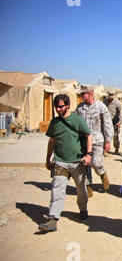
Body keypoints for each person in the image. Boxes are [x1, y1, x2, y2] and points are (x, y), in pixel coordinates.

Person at [38, 94, 93, 232]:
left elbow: (89, 135)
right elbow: (52, 141)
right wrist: (47, 159)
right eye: (56, 107)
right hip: (60, 162)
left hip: (77, 162)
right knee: (57, 189)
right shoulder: (54, 123)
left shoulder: (77, 120)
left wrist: (88, 154)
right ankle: (52, 219)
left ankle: (83, 209)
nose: (58, 109)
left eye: (61, 106)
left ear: (68, 105)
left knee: (81, 189)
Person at [76, 85, 114, 193]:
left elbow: (107, 124)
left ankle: (102, 173)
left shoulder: (101, 106)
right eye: (81, 94)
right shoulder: (79, 108)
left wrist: (107, 140)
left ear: (90, 94)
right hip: (83, 141)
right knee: (84, 165)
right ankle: (88, 186)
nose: (82, 96)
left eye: (83, 94)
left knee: (96, 163)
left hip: (97, 140)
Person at [104, 90, 122, 154]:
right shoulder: (105, 102)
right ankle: (105, 149)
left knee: (115, 136)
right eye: (110, 95)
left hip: (114, 122)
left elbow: (120, 113)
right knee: (105, 135)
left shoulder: (117, 103)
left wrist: (120, 122)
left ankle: (116, 148)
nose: (111, 97)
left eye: (112, 96)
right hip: (106, 121)